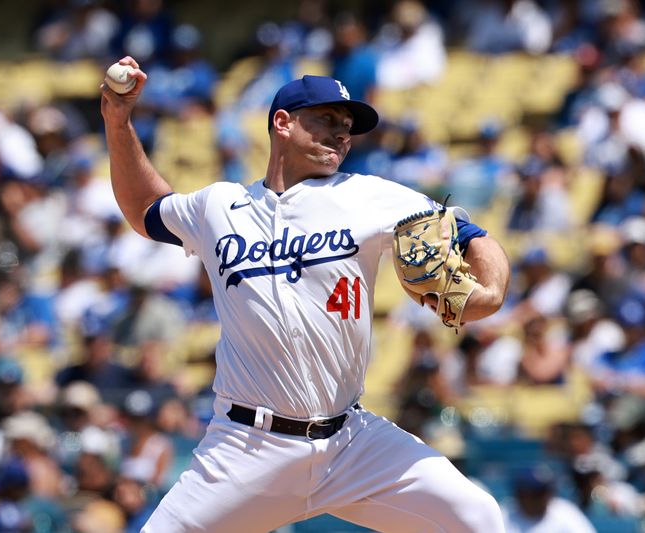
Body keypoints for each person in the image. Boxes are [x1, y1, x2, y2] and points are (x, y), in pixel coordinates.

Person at [100, 57, 511, 532]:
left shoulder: (371, 196)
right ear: (283, 123)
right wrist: (118, 120)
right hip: (246, 448)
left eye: (347, 126)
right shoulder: (219, 206)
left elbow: (472, 234)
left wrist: (493, 289)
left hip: (351, 444)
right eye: (327, 120)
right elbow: (146, 209)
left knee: (477, 517)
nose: (342, 133)